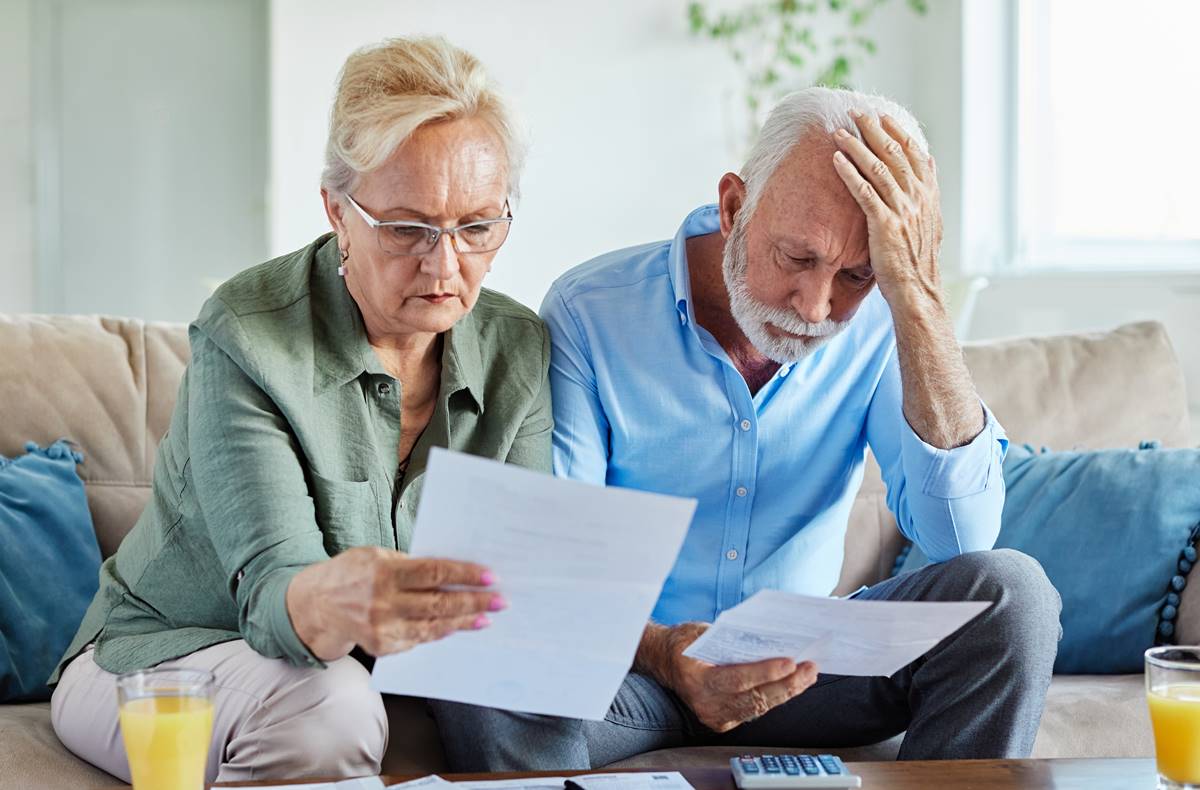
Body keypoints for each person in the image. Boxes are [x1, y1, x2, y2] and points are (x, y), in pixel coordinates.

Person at [430, 87, 1061, 769]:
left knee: (1012, 595)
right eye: (796, 259)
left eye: (856, 274)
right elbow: (557, 572)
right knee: (472, 643)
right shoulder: (591, 312)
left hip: (808, 674)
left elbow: (960, 538)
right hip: (632, 673)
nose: (817, 307)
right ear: (734, 208)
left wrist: (917, 295)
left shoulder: (886, 320)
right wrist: (670, 655)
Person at [50, 36, 550, 784]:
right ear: (337, 212)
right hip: (163, 660)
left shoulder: (518, 347)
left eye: (477, 228)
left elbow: (522, 581)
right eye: (408, 229)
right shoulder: (248, 336)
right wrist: (350, 596)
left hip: (358, 673)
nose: (446, 266)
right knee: (330, 705)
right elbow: (273, 596)